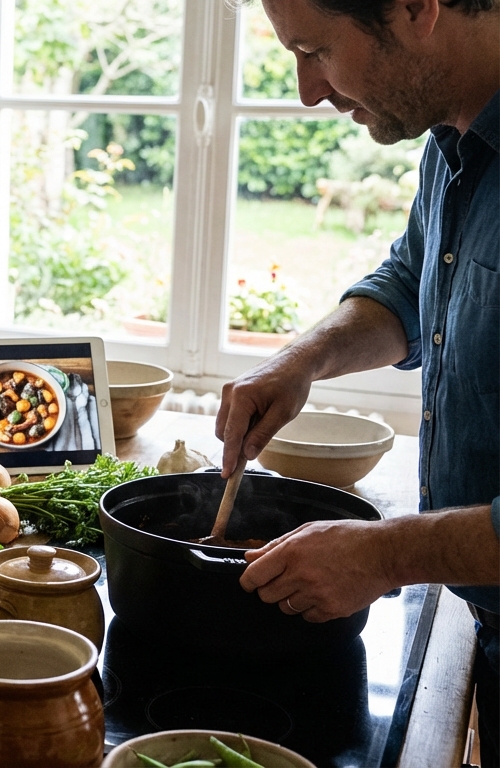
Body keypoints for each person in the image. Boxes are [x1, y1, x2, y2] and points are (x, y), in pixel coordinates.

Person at [216, 0, 499, 761]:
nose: (308, 90)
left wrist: (383, 555)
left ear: (416, 8)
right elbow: (415, 281)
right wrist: (303, 359)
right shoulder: (453, 138)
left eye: (315, 50)